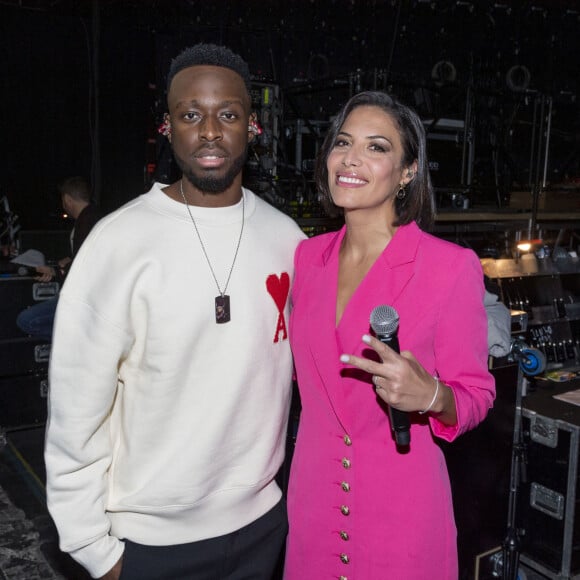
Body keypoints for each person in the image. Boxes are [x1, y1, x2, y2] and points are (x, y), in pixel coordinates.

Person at [44, 44, 305, 580]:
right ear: (168, 127)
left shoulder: (287, 240)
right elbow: (75, 410)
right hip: (147, 544)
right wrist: (94, 548)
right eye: (192, 114)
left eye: (227, 114)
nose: (210, 131)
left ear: (252, 127)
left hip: (262, 527)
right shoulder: (118, 242)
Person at [283, 91, 496, 579]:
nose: (351, 159)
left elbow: (478, 394)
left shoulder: (449, 267)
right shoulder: (306, 260)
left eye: (376, 147)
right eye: (343, 143)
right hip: (312, 503)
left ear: (407, 172)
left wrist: (433, 394)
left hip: (402, 512)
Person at [15, 176, 102, 340]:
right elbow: (91, 254)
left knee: (26, 321)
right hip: (89, 296)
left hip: (85, 299)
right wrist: (70, 259)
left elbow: (87, 266)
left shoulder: (86, 222)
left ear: (67, 199)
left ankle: (75, 340)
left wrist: (55, 271)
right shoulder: (95, 217)